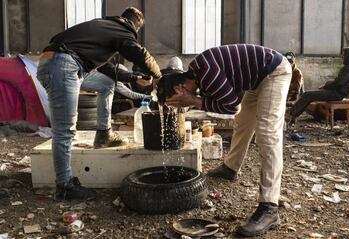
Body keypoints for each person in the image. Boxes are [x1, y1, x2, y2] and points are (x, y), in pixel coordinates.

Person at [157, 44, 292, 237]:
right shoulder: (198, 74)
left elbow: (231, 107)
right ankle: (230, 168)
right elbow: (228, 97)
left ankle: (269, 207)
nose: (180, 105)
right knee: (243, 124)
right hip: (255, 80)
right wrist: (195, 100)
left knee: (267, 134)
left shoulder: (205, 73)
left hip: (274, 72)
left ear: (180, 86)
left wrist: (193, 101)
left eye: (177, 100)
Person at [36, 7, 161, 201]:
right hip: (62, 64)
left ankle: (104, 134)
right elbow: (140, 54)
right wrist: (158, 76)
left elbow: (108, 70)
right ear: (135, 27)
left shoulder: (102, 28)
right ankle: (65, 185)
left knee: (105, 83)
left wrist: (134, 77)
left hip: (59, 62)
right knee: (65, 130)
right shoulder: (122, 30)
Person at [286, 47, 349, 124]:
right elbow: (339, 81)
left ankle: (290, 115)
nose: (342, 57)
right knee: (309, 95)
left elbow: (339, 84)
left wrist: (326, 86)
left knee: (307, 95)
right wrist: (328, 85)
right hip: (337, 92)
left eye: (345, 55)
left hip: (337, 94)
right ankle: (293, 116)